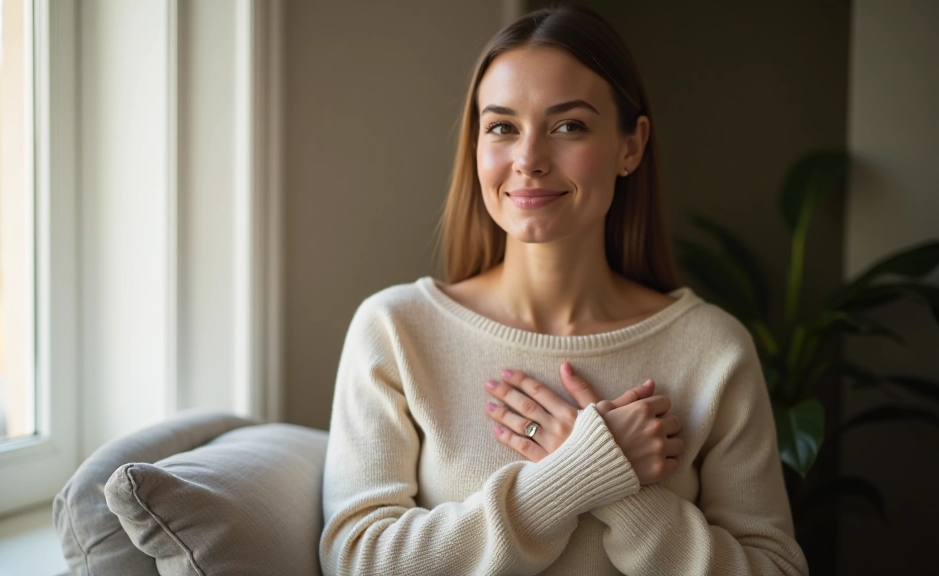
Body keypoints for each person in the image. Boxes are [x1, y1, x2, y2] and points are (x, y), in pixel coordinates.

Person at [319, 5, 809, 575]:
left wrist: (620, 493)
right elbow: (356, 561)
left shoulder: (715, 348)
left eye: (568, 126)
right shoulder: (396, 330)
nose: (528, 160)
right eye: (502, 127)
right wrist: (578, 472)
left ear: (631, 146)